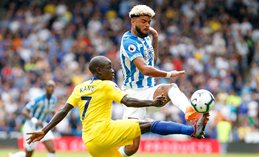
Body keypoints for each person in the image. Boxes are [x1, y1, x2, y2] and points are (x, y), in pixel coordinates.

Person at [26, 56, 207, 157]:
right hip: (104, 131)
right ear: (99, 71)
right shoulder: (107, 85)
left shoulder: (79, 88)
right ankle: (192, 131)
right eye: (108, 67)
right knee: (149, 125)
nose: (113, 70)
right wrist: (152, 102)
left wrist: (44, 130)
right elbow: (127, 101)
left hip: (90, 142)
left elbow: (63, 110)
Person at [119, 4, 209, 156]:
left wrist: (155, 38)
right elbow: (145, 69)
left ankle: (190, 112)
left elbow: (151, 62)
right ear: (133, 21)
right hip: (133, 96)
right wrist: (168, 74)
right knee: (132, 148)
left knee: (171, 88)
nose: (147, 25)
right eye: (143, 21)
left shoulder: (146, 38)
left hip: (149, 92)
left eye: (149, 22)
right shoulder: (129, 42)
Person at [21, 80, 57, 157]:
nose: (51, 88)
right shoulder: (38, 99)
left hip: (42, 127)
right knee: (29, 154)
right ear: (45, 88)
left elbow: (53, 111)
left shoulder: (54, 100)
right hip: (30, 127)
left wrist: (54, 122)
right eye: (49, 86)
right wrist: (35, 120)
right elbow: (24, 111)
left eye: (53, 86)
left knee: (52, 150)